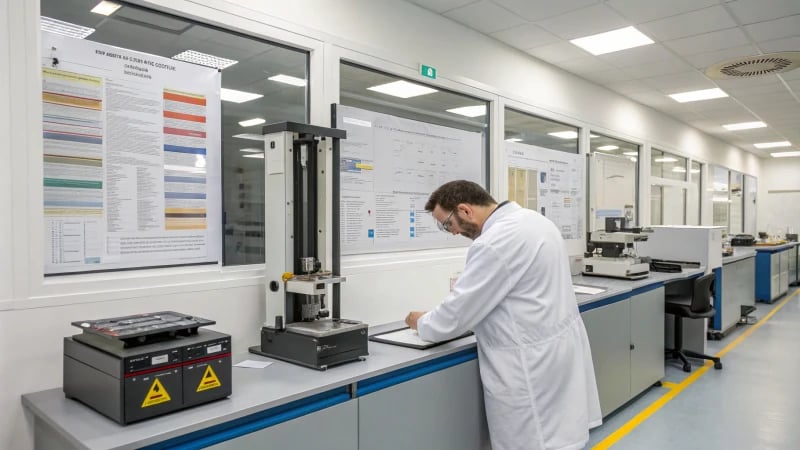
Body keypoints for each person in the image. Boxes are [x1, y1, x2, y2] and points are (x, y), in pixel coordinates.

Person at [405, 180, 601, 450]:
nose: (451, 232)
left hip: (527, 364)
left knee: (535, 441)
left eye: (447, 224)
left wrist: (420, 321)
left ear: (465, 210)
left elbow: (454, 317)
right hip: (557, 351)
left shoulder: (493, 243)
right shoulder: (535, 221)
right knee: (559, 439)